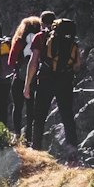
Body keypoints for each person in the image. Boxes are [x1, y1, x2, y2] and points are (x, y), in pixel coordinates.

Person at [27, 16, 81, 153]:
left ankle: (36, 149)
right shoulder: (73, 43)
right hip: (65, 81)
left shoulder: (41, 37)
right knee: (67, 116)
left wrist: (27, 84)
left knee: (39, 116)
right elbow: (77, 65)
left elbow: (33, 62)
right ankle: (72, 151)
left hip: (46, 79)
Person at [12, 10, 55, 143]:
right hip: (41, 78)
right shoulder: (47, 38)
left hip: (21, 76)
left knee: (17, 107)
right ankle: (30, 138)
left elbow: (11, 59)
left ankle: (17, 134)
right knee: (32, 110)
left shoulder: (21, 39)